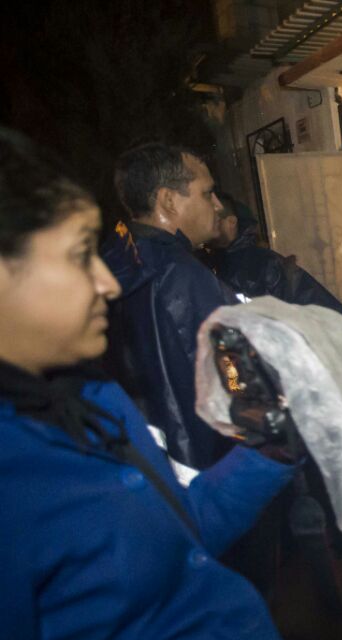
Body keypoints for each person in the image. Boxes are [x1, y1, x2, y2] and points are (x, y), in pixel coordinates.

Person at [0, 127, 335, 640]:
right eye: (76, 255)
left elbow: (185, 530)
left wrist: (270, 445)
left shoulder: (91, 403)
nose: (110, 281)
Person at [113, 141, 240, 471]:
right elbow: (232, 385)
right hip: (202, 471)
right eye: (206, 193)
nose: (218, 205)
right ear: (168, 200)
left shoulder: (118, 256)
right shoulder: (178, 275)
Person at [207, 193, 342, 323]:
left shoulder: (263, 263)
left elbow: (311, 304)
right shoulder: (213, 263)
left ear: (231, 222)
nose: (208, 225)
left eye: (215, 220)